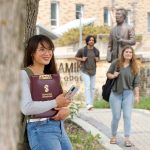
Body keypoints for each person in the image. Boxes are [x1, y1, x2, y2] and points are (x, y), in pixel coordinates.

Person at [20, 34, 73, 150]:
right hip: (40, 129)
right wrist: (55, 102)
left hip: (59, 127)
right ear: (32, 52)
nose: (47, 53)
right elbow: (26, 108)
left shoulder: (51, 76)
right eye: (42, 49)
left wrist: (65, 109)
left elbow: (58, 103)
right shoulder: (24, 74)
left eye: (50, 50)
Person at [107, 45, 140, 147]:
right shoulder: (116, 63)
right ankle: (113, 136)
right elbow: (108, 74)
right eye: (126, 52)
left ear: (132, 54)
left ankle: (127, 138)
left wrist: (137, 95)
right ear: (123, 53)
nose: (128, 54)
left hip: (128, 94)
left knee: (127, 116)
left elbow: (136, 83)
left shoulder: (134, 67)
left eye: (130, 52)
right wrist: (113, 75)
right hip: (115, 93)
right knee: (116, 116)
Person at [75, 35, 100, 110]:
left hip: (93, 71)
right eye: (90, 40)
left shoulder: (96, 50)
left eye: (93, 40)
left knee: (92, 88)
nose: (91, 41)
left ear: (94, 41)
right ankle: (88, 103)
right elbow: (76, 57)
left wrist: (97, 59)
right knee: (87, 86)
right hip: (84, 70)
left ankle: (91, 104)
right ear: (87, 41)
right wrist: (82, 59)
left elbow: (98, 58)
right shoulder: (82, 50)